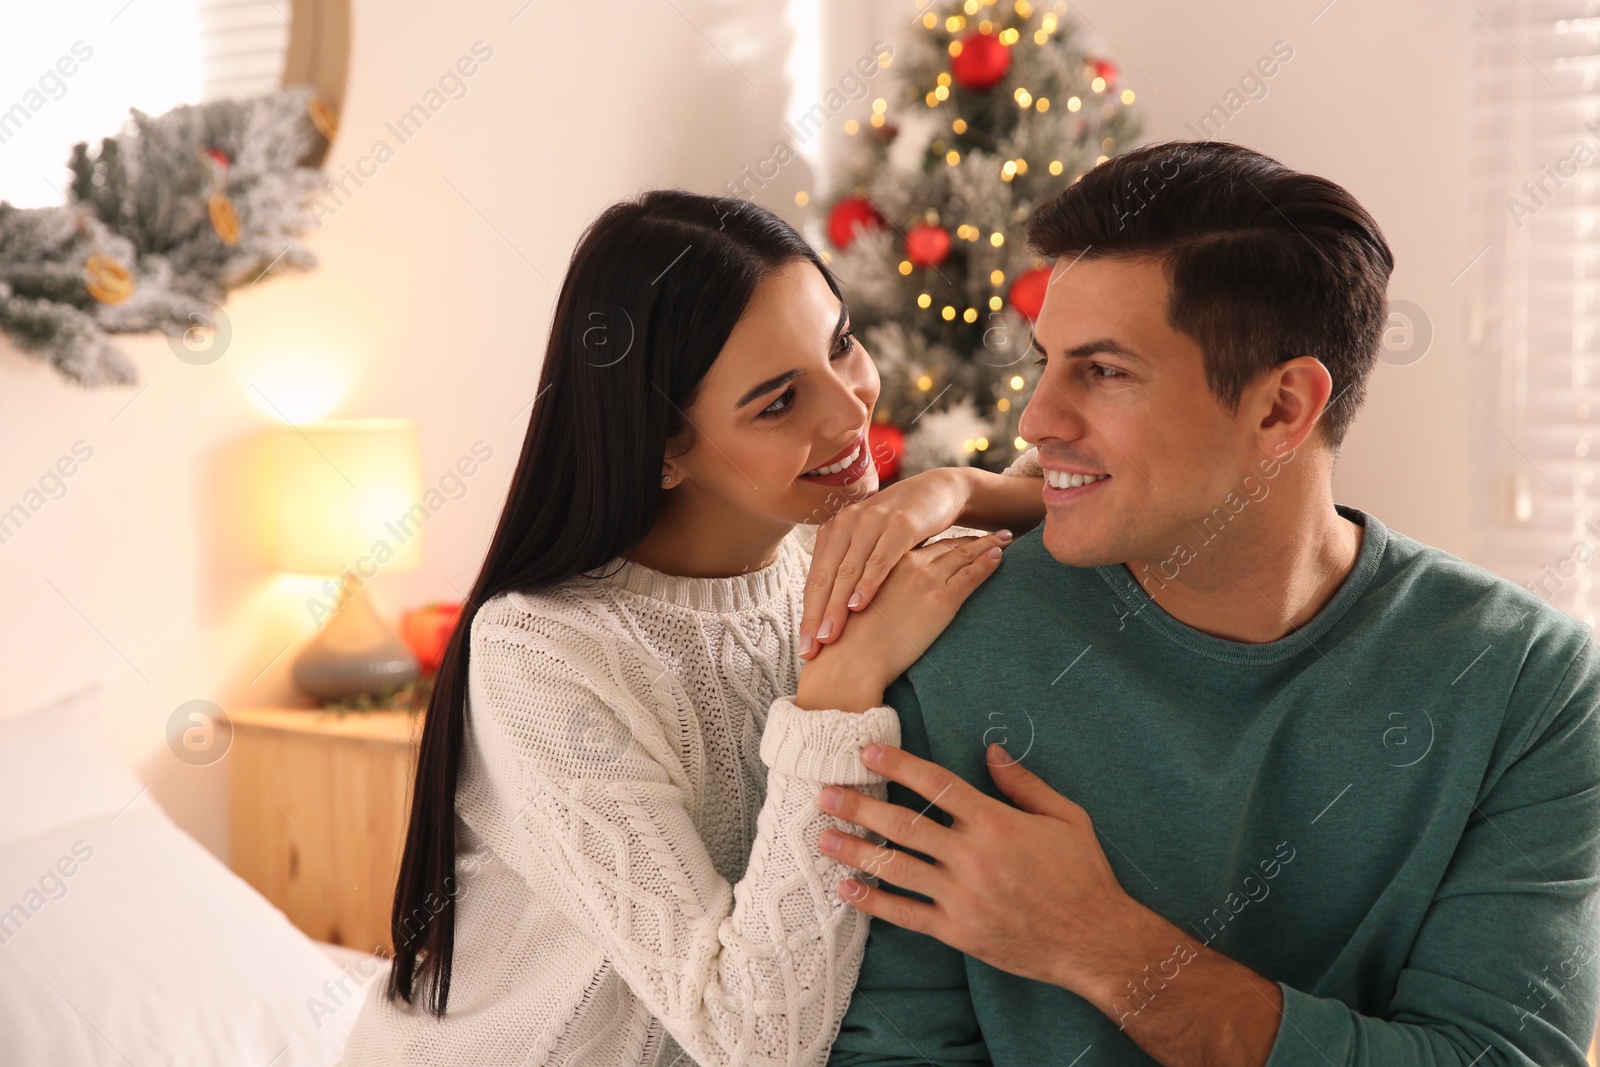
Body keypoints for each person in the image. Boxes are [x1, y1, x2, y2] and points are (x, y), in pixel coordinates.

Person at [819, 140, 1600, 1066]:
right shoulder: (949, 634)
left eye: (1103, 371)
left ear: (1281, 409)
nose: (1034, 420)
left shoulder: (1528, 683)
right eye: (1046, 362)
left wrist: (1103, 946)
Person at [339, 190, 1045, 1067]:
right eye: (779, 401)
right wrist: (834, 696)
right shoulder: (545, 652)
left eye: (842, 343)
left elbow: (1093, 487)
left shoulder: (821, 541)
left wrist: (960, 488)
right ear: (666, 446)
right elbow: (755, 1040)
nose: (849, 411)